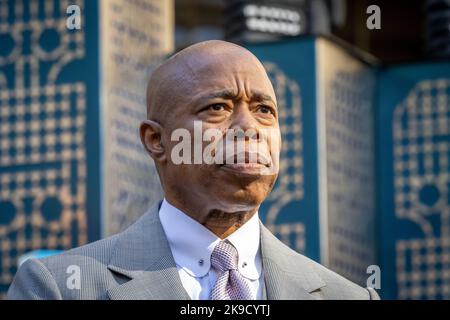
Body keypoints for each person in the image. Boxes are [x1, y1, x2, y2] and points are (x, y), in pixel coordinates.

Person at [7, 40, 379, 300]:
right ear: (157, 140)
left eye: (265, 110)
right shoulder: (60, 289)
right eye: (218, 107)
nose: (249, 128)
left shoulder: (347, 296)